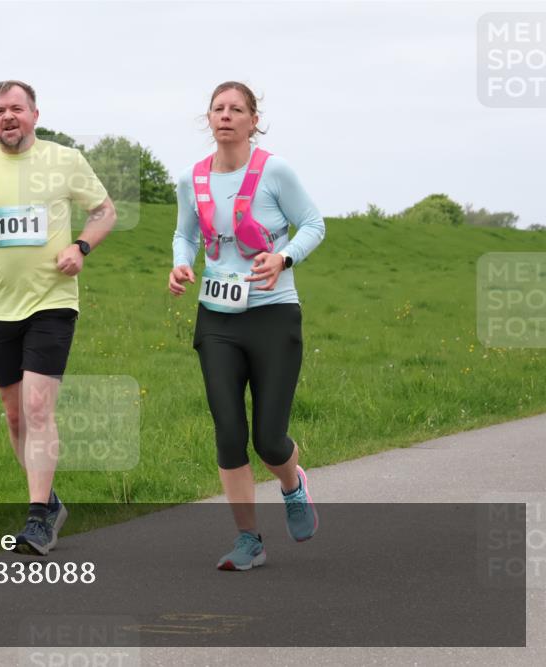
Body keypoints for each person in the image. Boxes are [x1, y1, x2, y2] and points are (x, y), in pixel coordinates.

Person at [0, 80, 117, 556]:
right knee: (17, 414)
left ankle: (38, 517)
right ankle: (49, 501)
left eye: (16, 108)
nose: (8, 117)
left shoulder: (63, 161)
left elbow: (105, 211)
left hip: (53, 302)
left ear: (35, 114)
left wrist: (81, 247)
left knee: (39, 407)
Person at [169, 81, 325, 571]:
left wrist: (284, 256)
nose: (227, 116)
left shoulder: (275, 171)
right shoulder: (191, 178)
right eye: (218, 108)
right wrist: (180, 263)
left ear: (254, 119)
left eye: (237, 109)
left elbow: (315, 224)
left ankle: (292, 482)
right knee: (229, 432)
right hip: (217, 317)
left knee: (269, 440)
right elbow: (184, 232)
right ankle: (248, 540)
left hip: (274, 314)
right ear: (208, 118)